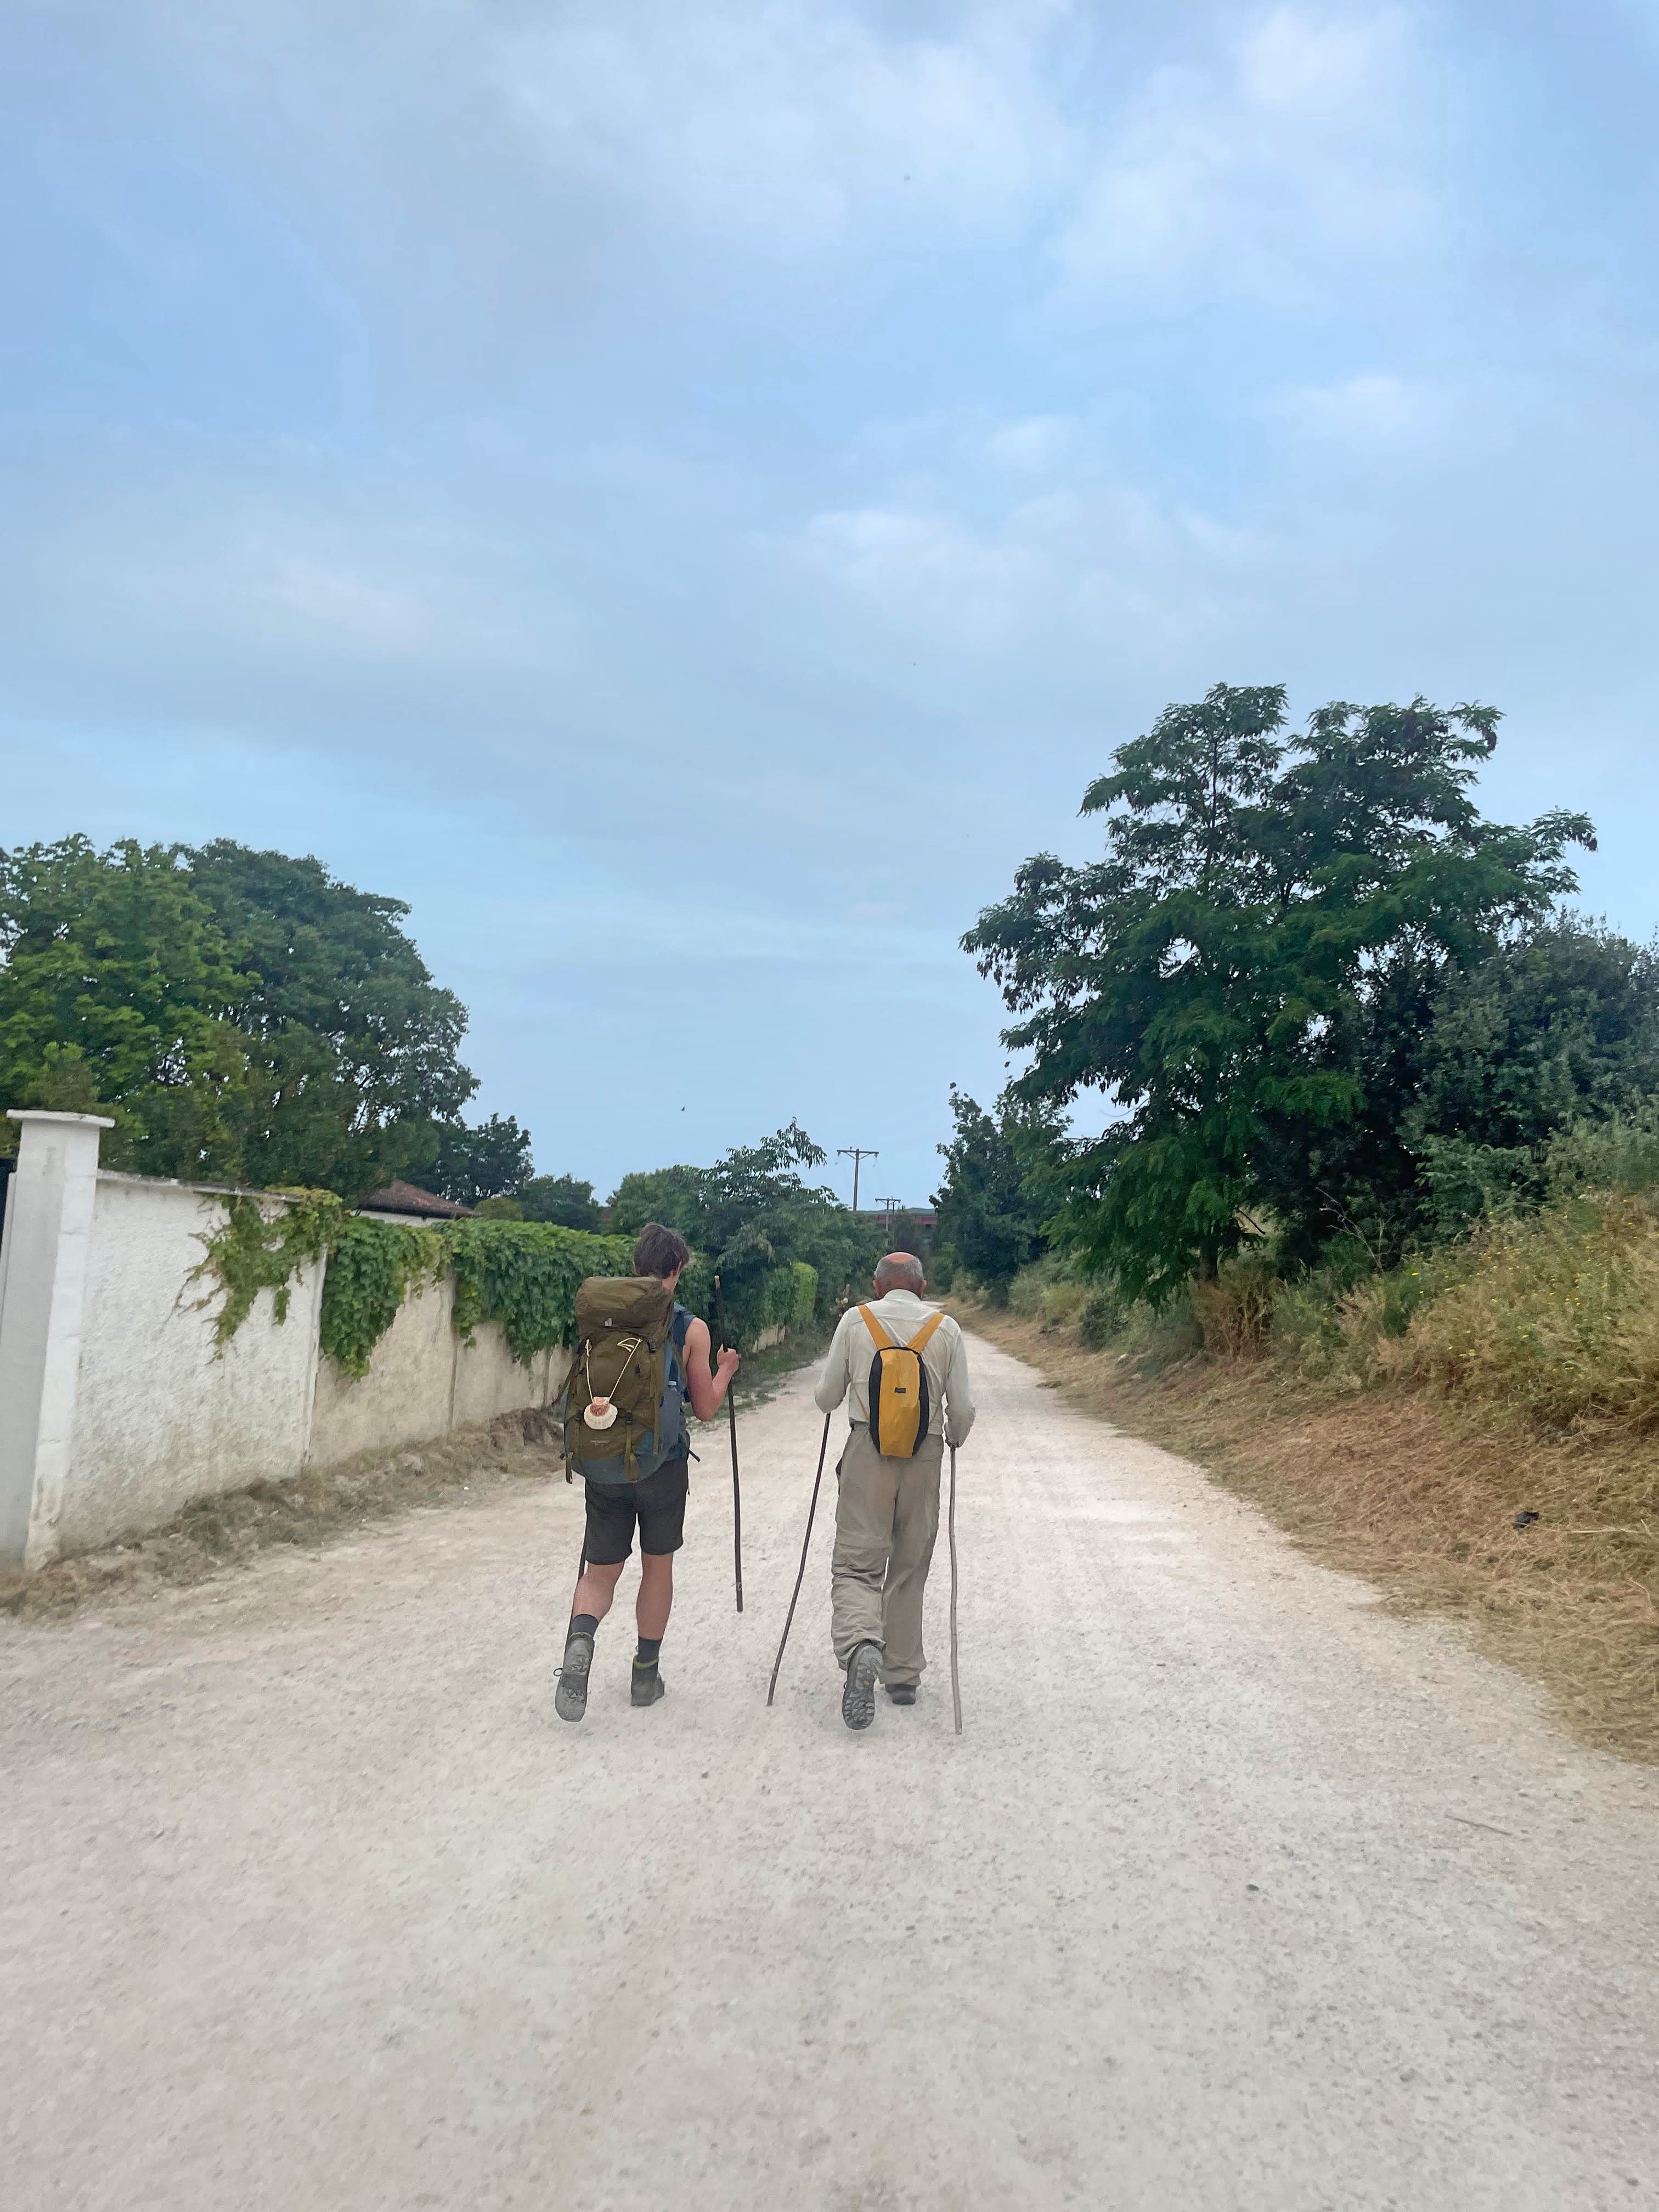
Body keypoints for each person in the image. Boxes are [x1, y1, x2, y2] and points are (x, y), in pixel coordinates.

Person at [555, 1223, 738, 1723]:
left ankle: (580, 1640)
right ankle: (644, 1674)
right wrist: (725, 1371)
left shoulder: (603, 1318)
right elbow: (703, 1408)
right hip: (662, 1466)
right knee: (657, 1566)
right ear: (676, 1269)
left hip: (605, 1460)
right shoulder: (690, 1328)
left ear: (637, 1266)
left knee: (600, 1573)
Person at [814, 1251, 974, 1730]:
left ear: (877, 1286)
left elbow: (826, 1397)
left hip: (868, 1450)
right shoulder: (945, 1329)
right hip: (923, 1457)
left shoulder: (855, 1320)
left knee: (857, 1563)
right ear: (923, 1289)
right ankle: (902, 1675)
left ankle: (863, 1643)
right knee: (909, 1564)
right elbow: (961, 1409)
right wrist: (953, 1439)